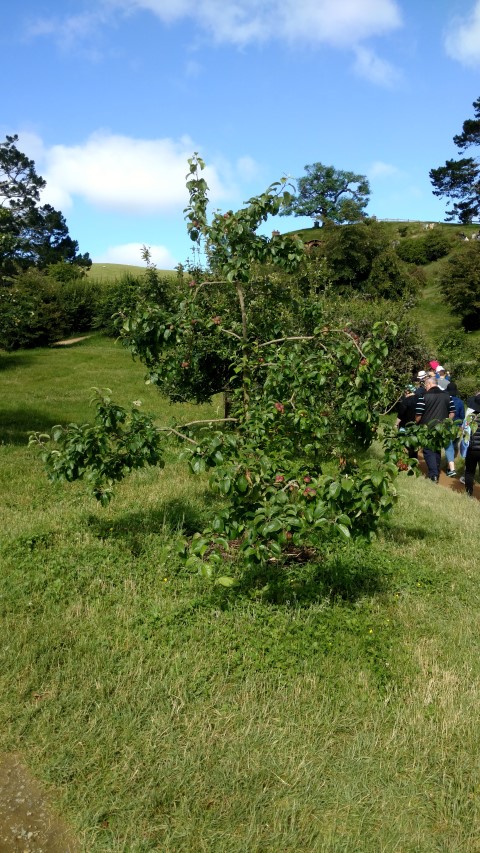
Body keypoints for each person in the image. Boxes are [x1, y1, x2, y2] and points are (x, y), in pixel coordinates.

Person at [415, 376, 455, 482]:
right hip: (442, 428)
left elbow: (418, 414)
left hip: (427, 428)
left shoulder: (423, 396)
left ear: (429, 384)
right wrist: (446, 423)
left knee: (428, 450)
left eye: (425, 385)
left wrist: (415, 423)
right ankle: (436, 471)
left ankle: (434, 475)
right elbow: (452, 412)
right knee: (437, 449)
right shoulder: (448, 396)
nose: (425, 388)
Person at [443, 382, 465, 477]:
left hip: (448, 426)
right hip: (457, 427)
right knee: (454, 445)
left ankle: (450, 468)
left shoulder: (445, 400)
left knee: (449, 447)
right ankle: (449, 467)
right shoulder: (460, 402)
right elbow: (462, 416)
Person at [463, 392, 480, 496]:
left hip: (472, 448)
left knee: (469, 472)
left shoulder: (470, 416)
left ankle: (468, 494)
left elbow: (465, 432)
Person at [395, 384, 418, 459]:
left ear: (407, 391)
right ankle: (413, 460)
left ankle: (403, 459)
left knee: (403, 443)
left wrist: (395, 424)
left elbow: (400, 415)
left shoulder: (405, 401)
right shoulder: (420, 399)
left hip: (404, 425)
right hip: (416, 426)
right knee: (414, 444)